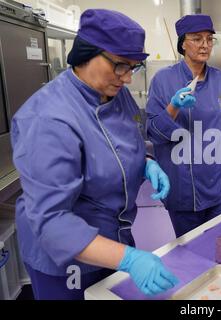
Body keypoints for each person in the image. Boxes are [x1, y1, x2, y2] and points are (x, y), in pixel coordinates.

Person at [11, 9, 178, 300]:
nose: (127, 79)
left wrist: (146, 164)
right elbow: (52, 222)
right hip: (65, 259)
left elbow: (118, 147)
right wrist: (129, 259)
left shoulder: (114, 93)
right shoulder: (48, 118)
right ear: (87, 53)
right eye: (120, 66)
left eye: (134, 67)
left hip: (114, 239)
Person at [146, 15, 221, 237]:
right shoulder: (163, 81)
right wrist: (173, 107)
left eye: (210, 39)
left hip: (218, 185)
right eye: (197, 38)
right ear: (183, 43)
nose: (205, 45)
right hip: (183, 189)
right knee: (190, 254)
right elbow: (152, 130)